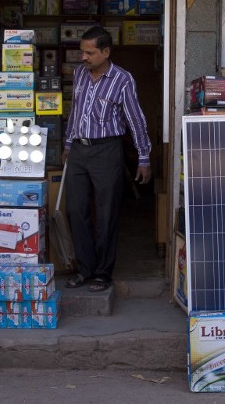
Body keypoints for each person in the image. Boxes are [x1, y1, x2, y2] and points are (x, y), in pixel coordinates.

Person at [62, 26, 152, 293]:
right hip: (79, 149)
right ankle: (84, 269)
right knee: (75, 210)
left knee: (106, 212)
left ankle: (102, 273)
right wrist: (68, 142)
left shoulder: (122, 79)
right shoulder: (79, 73)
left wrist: (143, 157)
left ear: (105, 52)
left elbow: (135, 120)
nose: (84, 58)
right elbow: (75, 111)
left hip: (107, 150)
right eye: (82, 52)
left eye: (90, 53)